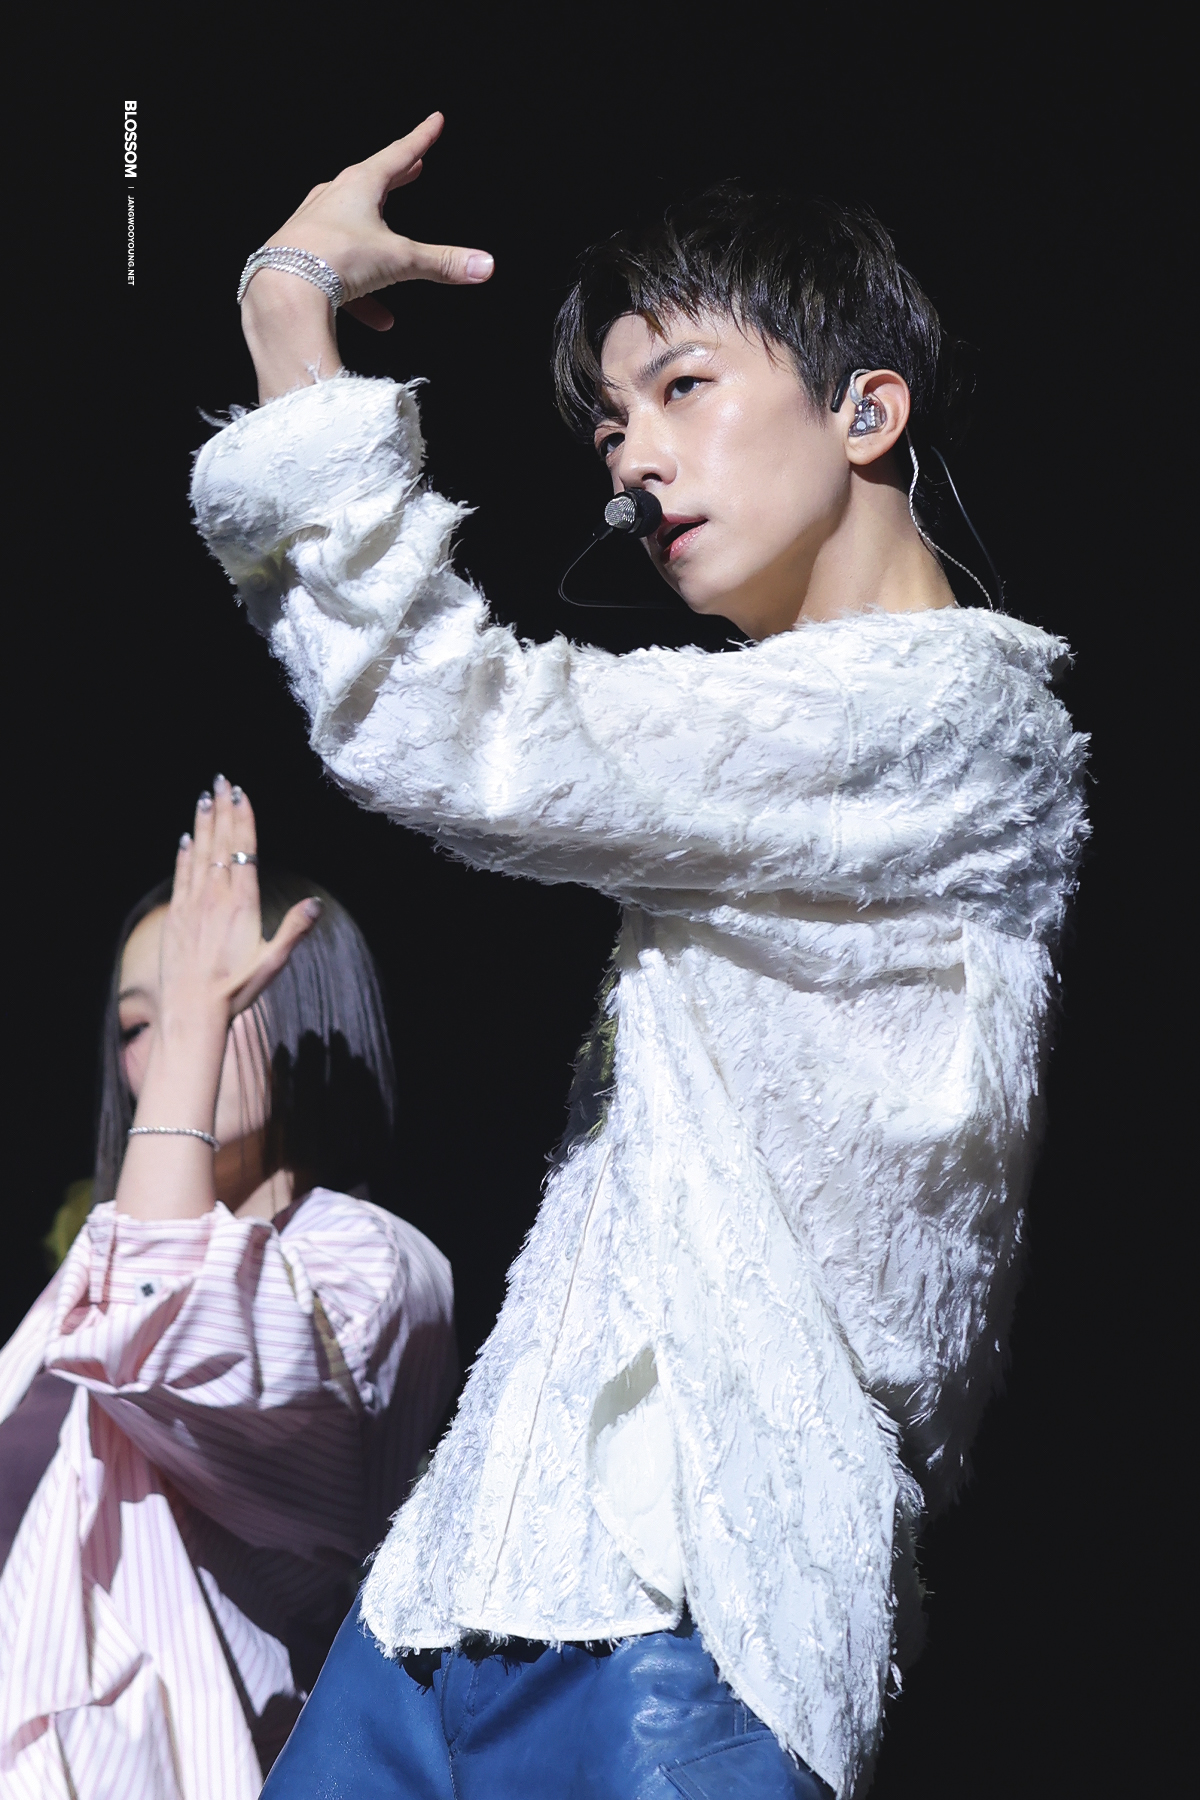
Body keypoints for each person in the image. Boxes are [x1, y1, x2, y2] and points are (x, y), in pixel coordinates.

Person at [191, 115, 1088, 1799]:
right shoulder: (786, 753)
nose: (629, 462)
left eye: (681, 389)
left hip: (685, 1622)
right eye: (612, 425)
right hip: (463, 1584)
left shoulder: (949, 719)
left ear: (867, 411)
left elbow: (456, 727)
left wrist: (287, 310)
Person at [0, 780, 457, 1799]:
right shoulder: (88, 1275)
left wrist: (190, 1025)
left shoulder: (375, 1262)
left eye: (215, 994)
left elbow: (157, 1322)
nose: (171, 1039)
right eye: (141, 1022)